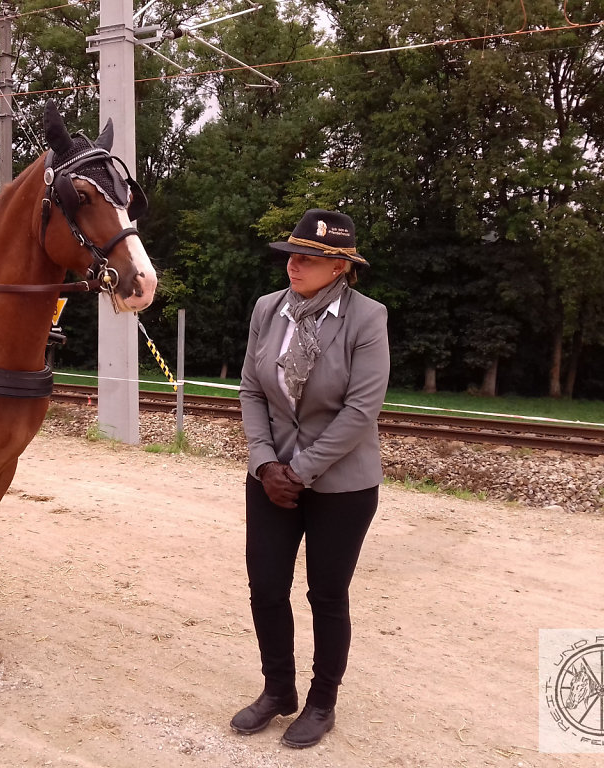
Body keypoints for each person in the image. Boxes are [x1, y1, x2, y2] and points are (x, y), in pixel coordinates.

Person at [232, 209, 390, 748]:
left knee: (327, 593)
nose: (293, 264)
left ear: (341, 267)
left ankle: (323, 701)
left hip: (342, 486)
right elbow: (252, 389)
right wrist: (264, 463)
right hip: (271, 476)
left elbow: (360, 410)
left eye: (308, 256)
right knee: (266, 587)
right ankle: (279, 690)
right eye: (291, 254)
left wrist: (299, 469)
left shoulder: (367, 319)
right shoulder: (267, 310)